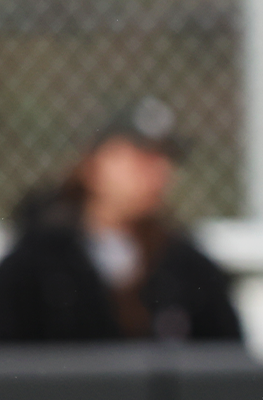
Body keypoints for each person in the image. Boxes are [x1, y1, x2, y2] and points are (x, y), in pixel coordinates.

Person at [0, 97, 242, 343]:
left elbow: (227, 363)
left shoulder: (188, 269)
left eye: (166, 159)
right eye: (142, 157)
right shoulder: (37, 267)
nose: (160, 172)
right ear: (94, 163)